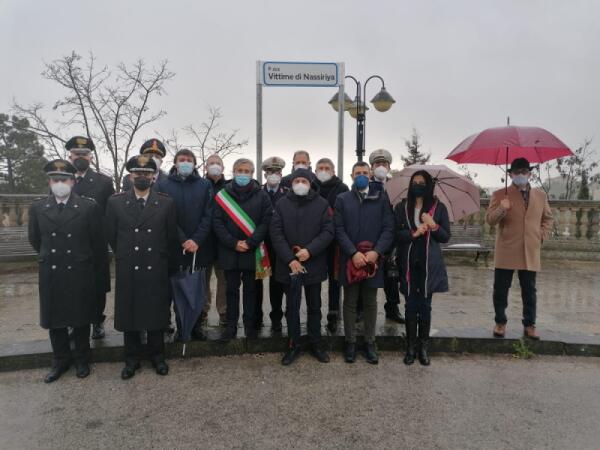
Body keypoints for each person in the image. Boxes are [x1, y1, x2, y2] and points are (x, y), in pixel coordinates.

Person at [28, 159, 108, 382]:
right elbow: (35, 239)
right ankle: (60, 360)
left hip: (79, 269)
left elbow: (97, 243)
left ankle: (82, 359)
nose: (60, 183)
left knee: (81, 318)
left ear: (72, 182)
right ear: (49, 182)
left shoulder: (88, 207)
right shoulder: (38, 208)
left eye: (64, 179)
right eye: (55, 179)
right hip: (52, 270)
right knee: (55, 320)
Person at [105, 155, 178, 379]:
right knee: (130, 314)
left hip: (155, 264)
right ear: (130, 176)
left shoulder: (166, 202)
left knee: (156, 313)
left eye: (147, 173)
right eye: (138, 173)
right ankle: (131, 359)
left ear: (154, 177)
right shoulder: (116, 202)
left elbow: (170, 236)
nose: (142, 177)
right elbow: (111, 234)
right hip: (129, 264)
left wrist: (163, 260)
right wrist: (126, 254)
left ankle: (158, 357)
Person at [270, 168, 334, 365]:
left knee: (315, 306)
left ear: (310, 183)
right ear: (291, 183)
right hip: (289, 265)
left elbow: (328, 231)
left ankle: (316, 343)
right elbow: (276, 234)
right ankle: (293, 344)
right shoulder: (281, 204)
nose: (300, 184)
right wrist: (291, 259)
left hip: (313, 263)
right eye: (296, 180)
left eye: (304, 181)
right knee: (292, 307)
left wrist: (310, 251)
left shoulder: (322, 204)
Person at [486, 157, 553, 340]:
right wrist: (502, 208)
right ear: (511, 174)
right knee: (500, 289)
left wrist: (541, 235)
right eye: (517, 172)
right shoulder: (500, 194)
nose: (521, 175)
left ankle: (529, 325)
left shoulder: (540, 196)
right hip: (506, 248)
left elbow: (547, 218)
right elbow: (490, 220)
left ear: (530, 174)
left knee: (529, 290)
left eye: (524, 171)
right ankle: (500, 322)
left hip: (530, 249)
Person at [334, 161, 394, 364]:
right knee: (350, 302)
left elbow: (388, 228)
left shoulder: (381, 198)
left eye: (364, 172)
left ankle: (370, 342)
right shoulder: (342, 199)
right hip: (350, 259)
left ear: (370, 175)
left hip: (372, 260)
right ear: (351, 176)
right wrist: (353, 253)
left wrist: (376, 252)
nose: (361, 175)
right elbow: (338, 229)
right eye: (357, 172)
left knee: (370, 302)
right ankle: (350, 342)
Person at [394, 170, 451, 366]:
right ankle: (410, 347)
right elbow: (396, 234)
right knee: (410, 305)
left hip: (429, 265)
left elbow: (445, 237)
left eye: (422, 182)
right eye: (414, 182)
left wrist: (433, 225)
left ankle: (423, 348)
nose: (417, 185)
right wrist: (414, 233)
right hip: (408, 263)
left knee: (425, 306)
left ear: (428, 185)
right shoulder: (402, 207)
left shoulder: (439, 208)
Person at [213, 158, 273, 342]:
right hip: (229, 250)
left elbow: (266, 221)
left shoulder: (262, 195)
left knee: (250, 290)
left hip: (251, 250)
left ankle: (249, 326)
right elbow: (217, 222)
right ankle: (231, 326)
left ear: (252, 174)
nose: (243, 174)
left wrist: (250, 242)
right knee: (231, 290)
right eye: (240, 170)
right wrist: (233, 243)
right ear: (233, 172)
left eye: (247, 171)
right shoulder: (222, 195)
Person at [157, 149, 214, 340]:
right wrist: (182, 239)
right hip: (174, 247)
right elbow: (166, 216)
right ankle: (180, 328)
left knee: (197, 290)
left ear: (194, 164)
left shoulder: (204, 185)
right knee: (177, 289)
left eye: (189, 160)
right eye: (182, 159)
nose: (185, 162)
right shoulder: (163, 185)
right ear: (175, 163)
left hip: (199, 247)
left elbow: (208, 215)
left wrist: (196, 239)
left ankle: (195, 327)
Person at [67, 136, 114, 340]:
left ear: (91, 157)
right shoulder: (62, 180)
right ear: (70, 156)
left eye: (84, 154)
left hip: (96, 244)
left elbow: (111, 213)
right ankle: (74, 321)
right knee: (71, 285)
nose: (80, 157)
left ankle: (97, 321)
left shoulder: (104, 182)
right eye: (76, 154)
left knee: (97, 285)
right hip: (70, 244)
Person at [369, 149, 405, 324]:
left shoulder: (397, 188)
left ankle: (392, 308)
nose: (381, 167)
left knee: (392, 276)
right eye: (377, 164)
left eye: (384, 164)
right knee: (366, 274)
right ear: (372, 167)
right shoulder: (365, 185)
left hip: (391, 238)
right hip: (370, 238)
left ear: (389, 167)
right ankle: (362, 309)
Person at [313, 157, 349, 332]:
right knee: (315, 279)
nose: (323, 171)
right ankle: (315, 314)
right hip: (315, 241)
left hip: (335, 242)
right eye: (320, 168)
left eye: (327, 168)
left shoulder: (342, 188)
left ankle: (333, 314)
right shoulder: (311, 187)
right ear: (315, 171)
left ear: (333, 171)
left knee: (335, 280)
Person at [257, 156, 288, 332]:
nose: (273, 174)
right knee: (257, 281)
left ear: (281, 174)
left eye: (276, 171)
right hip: (259, 244)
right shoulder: (257, 192)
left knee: (277, 281)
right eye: (270, 171)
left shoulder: (287, 193)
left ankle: (276, 316)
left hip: (278, 244)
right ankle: (256, 317)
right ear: (265, 174)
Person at [204, 154, 229, 326]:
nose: (214, 165)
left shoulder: (229, 188)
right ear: (206, 167)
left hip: (223, 242)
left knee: (224, 281)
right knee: (202, 281)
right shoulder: (200, 186)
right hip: (204, 242)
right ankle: (202, 312)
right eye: (211, 163)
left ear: (223, 167)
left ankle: (224, 313)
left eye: (217, 163)